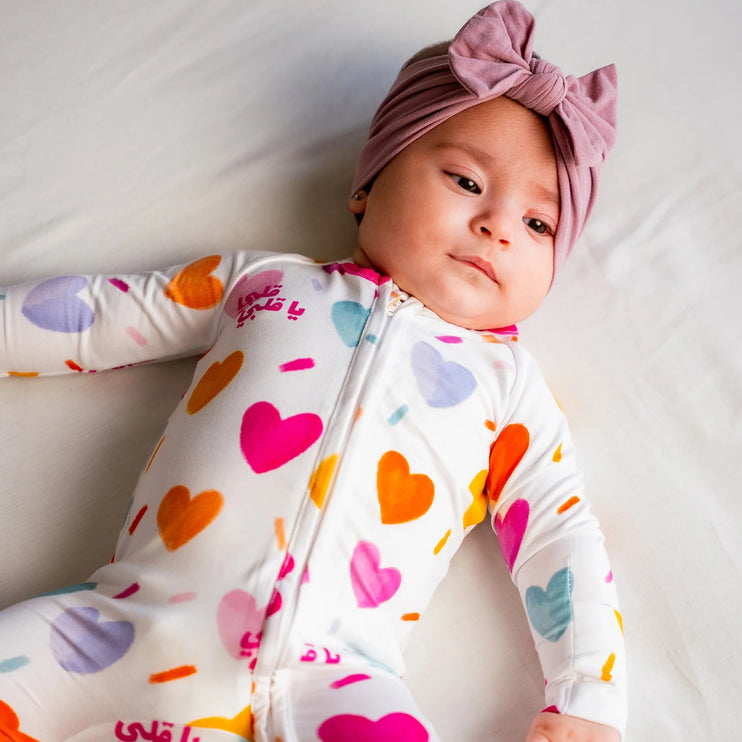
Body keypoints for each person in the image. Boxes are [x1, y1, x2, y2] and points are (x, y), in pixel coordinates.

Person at [0, 2, 625, 740]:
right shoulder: (263, 286)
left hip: (338, 678)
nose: (496, 225)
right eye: (464, 180)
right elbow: (93, 316)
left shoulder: (510, 387)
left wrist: (586, 696)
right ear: (366, 187)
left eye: (538, 223)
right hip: (125, 624)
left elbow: (559, 534)